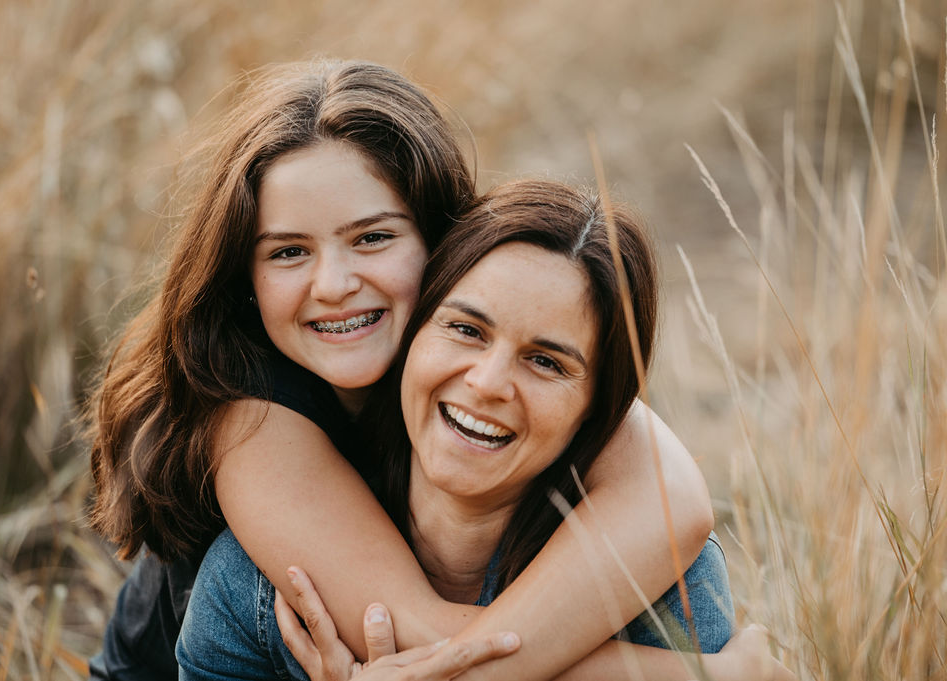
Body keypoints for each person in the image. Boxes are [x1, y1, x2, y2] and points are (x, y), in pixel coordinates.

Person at [87, 60, 716, 680]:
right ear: (245, 276)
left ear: (446, 242)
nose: (333, 285)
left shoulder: (476, 355)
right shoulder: (244, 406)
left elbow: (675, 500)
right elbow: (422, 635)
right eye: (287, 251)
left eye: (373, 238)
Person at [176, 180, 779, 680]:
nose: (488, 383)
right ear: (411, 334)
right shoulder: (258, 585)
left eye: (546, 362)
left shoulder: (661, 585)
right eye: (465, 329)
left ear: (599, 409)